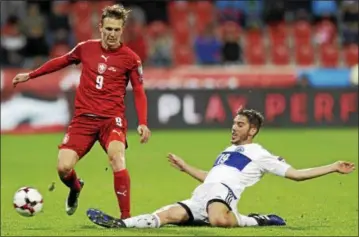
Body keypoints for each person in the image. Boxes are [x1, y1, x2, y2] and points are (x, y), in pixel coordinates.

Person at [86, 108, 355, 229]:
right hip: (203, 193)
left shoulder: (260, 154)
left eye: (240, 124)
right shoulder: (226, 151)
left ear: (253, 130)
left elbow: (296, 175)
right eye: (234, 123)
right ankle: (120, 224)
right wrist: (185, 167)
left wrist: (332, 166)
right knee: (168, 216)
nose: (233, 127)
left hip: (223, 196)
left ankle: (258, 219)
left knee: (218, 220)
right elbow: (211, 177)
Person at [12, 4, 151, 219]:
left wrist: (142, 122)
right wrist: (31, 75)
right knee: (63, 168)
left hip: (111, 120)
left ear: (122, 30)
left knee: (117, 157)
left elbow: (139, 90)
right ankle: (76, 188)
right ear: (100, 27)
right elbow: (60, 62)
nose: (112, 34)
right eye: (108, 29)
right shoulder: (85, 48)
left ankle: (126, 218)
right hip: (83, 120)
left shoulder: (131, 58)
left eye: (116, 29)